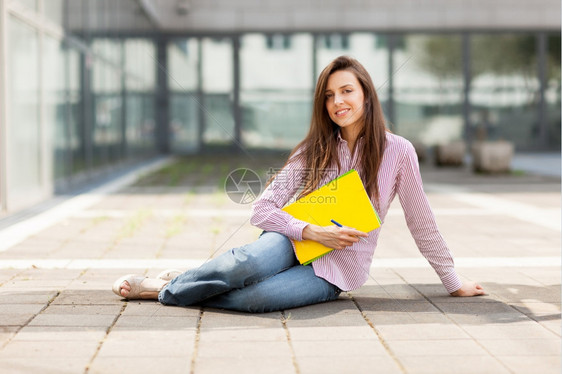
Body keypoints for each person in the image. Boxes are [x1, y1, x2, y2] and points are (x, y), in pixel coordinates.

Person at [112, 56, 485, 313]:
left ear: (367, 94)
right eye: (328, 96)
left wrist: (452, 281)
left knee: (253, 300)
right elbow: (262, 209)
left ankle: (172, 285)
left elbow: (421, 221)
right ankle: (173, 285)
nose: (337, 102)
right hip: (293, 239)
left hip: (336, 269)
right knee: (241, 266)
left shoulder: (399, 151)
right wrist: (311, 230)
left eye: (346, 91)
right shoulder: (314, 149)